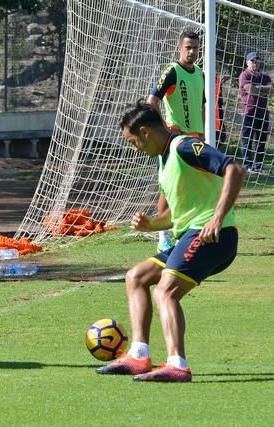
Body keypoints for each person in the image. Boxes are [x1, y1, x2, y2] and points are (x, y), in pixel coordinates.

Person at [96, 102, 245, 382]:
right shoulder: (163, 158)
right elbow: (177, 214)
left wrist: (216, 218)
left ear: (145, 132)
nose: (134, 148)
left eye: (133, 142)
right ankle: (139, 356)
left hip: (214, 234)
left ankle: (177, 364)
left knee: (165, 290)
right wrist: (152, 224)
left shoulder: (184, 147)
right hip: (191, 234)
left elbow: (234, 170)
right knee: (137, 277)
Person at [147, 30, 205, 252]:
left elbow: (201, 104)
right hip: (174, 140)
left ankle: (186, 232)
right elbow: (152, 100)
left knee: (191, 188)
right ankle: (162, 235)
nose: (191, 51)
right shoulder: (172, 71)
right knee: (168, 188)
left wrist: (202, 132)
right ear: (179, 47)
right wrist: (164, 129)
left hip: (196, 139)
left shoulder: (200, 73)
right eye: (188, 47)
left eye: (195, 48)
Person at [238, 51, 272, 173]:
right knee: (248, 140)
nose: (255, 62)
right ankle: (247, 166)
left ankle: (259, 166)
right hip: (249, 112)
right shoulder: (244, 75)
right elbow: (249, 89)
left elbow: (271, 90)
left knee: (261, 141)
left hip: (263, 113)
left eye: (257, 60)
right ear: (247, 62)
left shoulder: (265, 76)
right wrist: (262, 90)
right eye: (252, 60)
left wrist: (257, 88)